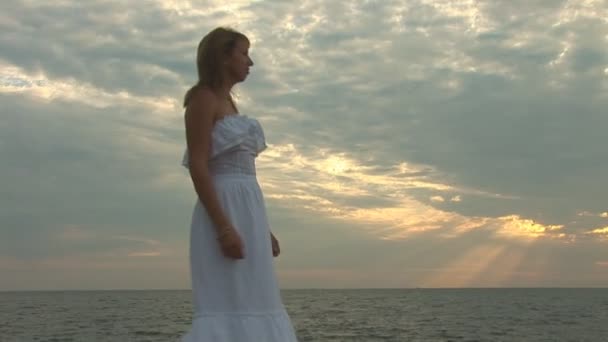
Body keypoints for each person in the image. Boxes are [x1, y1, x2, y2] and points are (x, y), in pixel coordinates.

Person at [180, 27, 298, 341]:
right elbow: (198, 165)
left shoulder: (229, 104)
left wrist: (264, 229)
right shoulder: (203, 100)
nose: (250, 62)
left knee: (258, 298)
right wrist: (224, 227)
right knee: (228, 301)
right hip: (222, 208)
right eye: (244, 53)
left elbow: (245, 172)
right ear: (223, 56)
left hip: (248, 210)